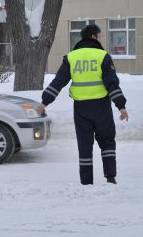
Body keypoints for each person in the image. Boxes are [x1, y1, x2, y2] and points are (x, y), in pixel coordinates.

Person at [37, 24, 128, 185]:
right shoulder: (103, 56)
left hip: (81, 109)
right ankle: (110, 177)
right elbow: (111, 84)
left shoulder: (71, 57)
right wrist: (121, 106)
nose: (100, 39)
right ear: (93, 36)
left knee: (84, 145)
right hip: (101, 107)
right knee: (107, 141)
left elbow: (58, 82)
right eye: (99, 36)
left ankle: (86, 182)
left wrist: (45, 102)